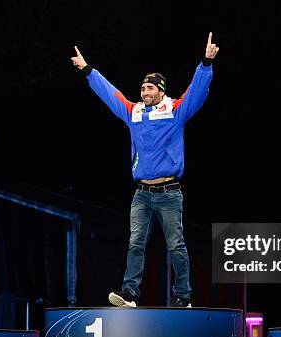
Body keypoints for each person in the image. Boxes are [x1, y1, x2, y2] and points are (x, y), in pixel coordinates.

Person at [71, 33, 219, 308]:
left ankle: (183, 296)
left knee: (176, 246)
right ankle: (129, 294)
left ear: (161, 91)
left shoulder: (175, 110)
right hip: (141, 193)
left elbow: (196, 92)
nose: (145, 93)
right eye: (142, 89)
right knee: (135, 244)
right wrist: (88, 70)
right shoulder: (133, 112)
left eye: (150, 89)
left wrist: (206, 63)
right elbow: (109, 93)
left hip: (169, 192)